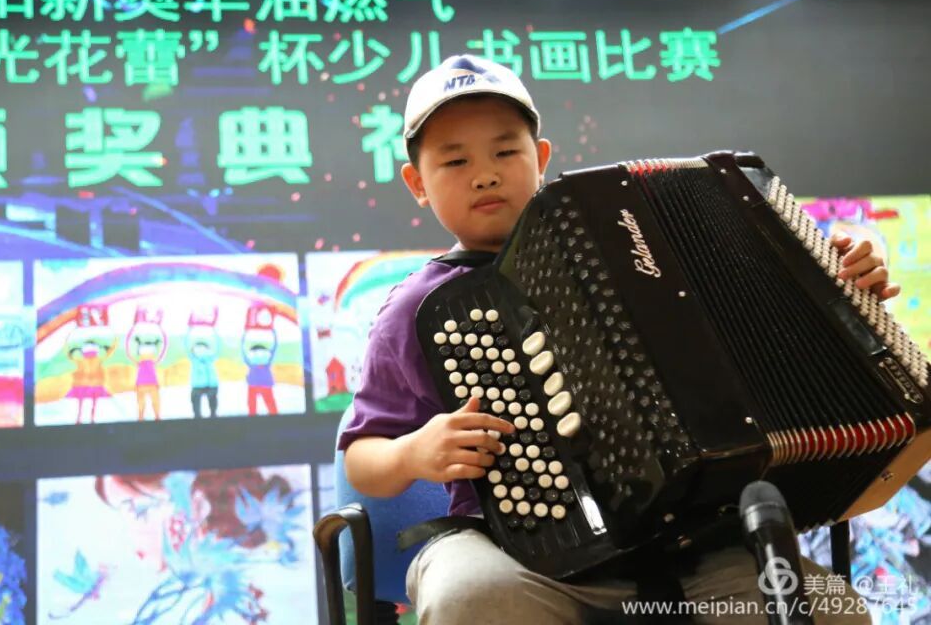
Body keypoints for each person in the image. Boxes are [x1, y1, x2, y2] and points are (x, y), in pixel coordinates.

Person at [339, 54, 900, 624]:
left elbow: (781, 343)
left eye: (505, 152)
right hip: (518, 551)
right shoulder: (415, 308)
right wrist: (412, 452)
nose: (484, 175)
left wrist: (841, 296)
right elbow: (362, 457)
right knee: (471, 595)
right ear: (417, 183)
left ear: (541, 158)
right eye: (455, 160)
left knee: (833, 613)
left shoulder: (643, 249)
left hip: (700, 545)